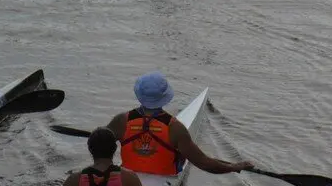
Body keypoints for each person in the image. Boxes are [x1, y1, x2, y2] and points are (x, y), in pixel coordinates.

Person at [107, 72, 253, 176]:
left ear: (139, 95)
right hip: (164, 178)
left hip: (126, 178)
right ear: (165, 97)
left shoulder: (120, 121)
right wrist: (234, 167)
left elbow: (98, 144)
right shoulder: (175, 129)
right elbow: (205, 164)